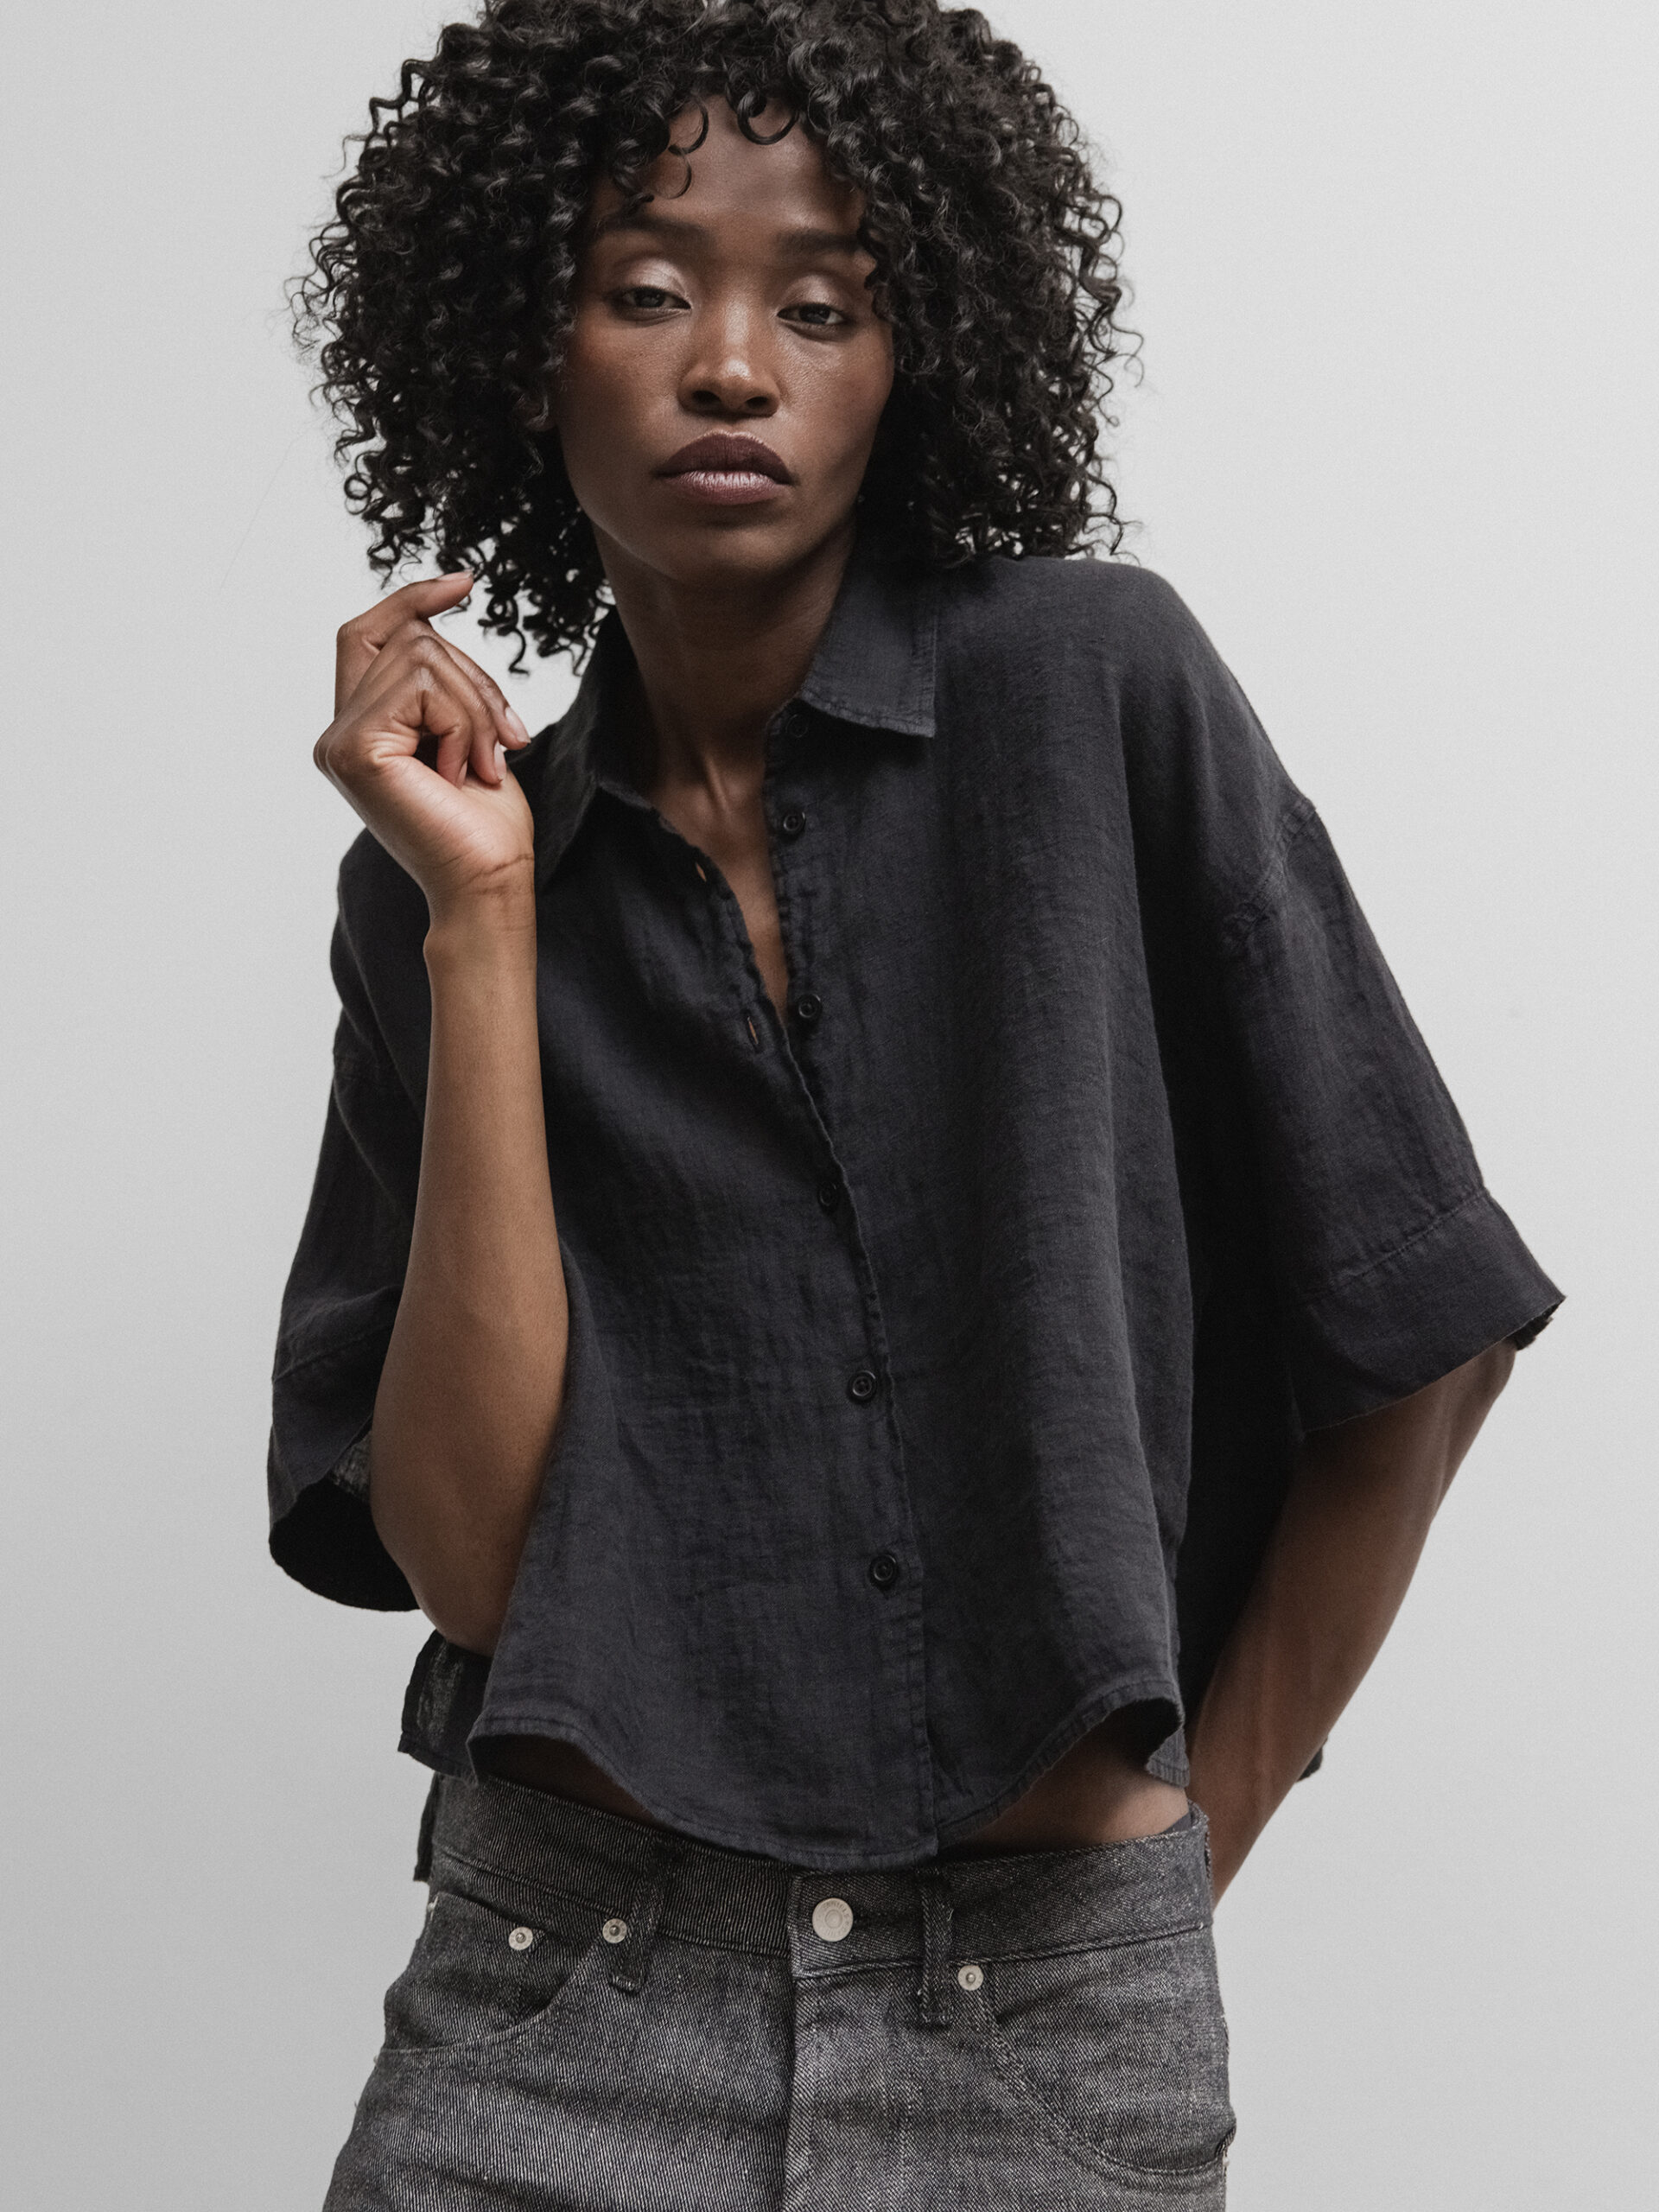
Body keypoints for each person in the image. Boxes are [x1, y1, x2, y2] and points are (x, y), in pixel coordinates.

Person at [271, 3, 1560, 2204]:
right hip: (566, 1999)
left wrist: (1172, 1869)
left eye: (824, 302)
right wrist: (479, 922)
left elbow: (1419, 1323)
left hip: (1048, 2035)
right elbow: (475, 1564)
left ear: (917, 352)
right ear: (518, 351)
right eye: (645, 287)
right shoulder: (437, 881)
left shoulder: (1097, 688)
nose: (733, 367)